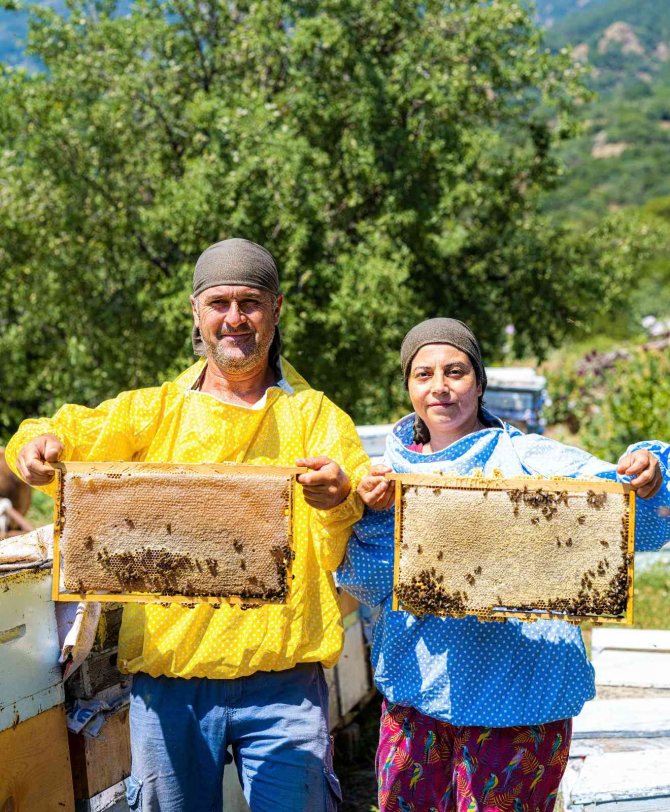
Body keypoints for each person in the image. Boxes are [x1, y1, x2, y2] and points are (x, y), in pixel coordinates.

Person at [6, 238, 370, 812]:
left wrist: (337, 496)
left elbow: (349, 528)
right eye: (218, 303)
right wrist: (34, 447)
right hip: (170, 684)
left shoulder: (316, 417)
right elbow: (61, 433)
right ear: (195, 314)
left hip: (285, 686)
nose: (234, 318)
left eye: (249, 302)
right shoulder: (153, 412)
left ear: (276, 309)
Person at [337, 317, 669, 812]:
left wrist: (647, 469)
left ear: (480, 382)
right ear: (407, 385)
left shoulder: (529, 457)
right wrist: (379, 517)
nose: (440, 388)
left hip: (522, 703)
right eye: (423, 375)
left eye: (455, 371)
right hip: (416, 701)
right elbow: (367, 583)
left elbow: (623, 501)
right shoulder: (386, 474)